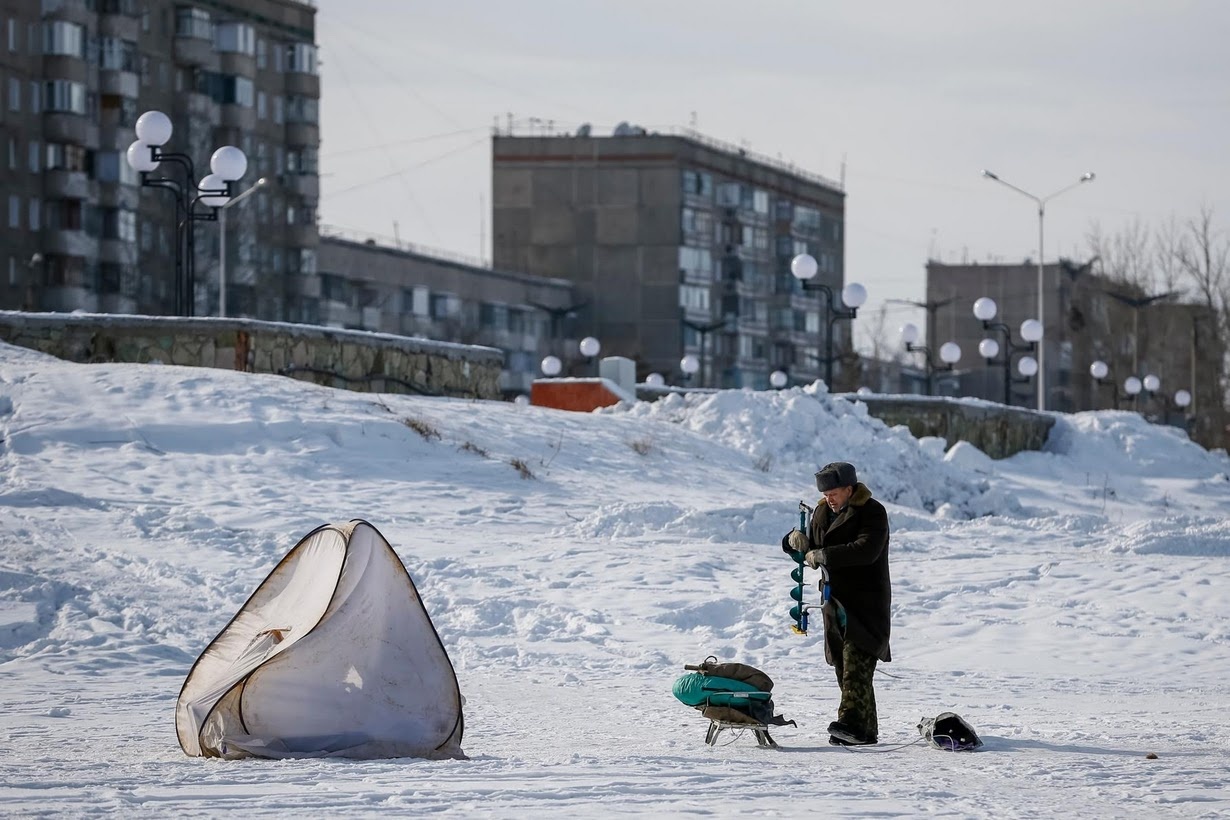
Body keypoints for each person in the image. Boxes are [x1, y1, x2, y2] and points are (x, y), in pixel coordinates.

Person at [781, 461, 891, 746]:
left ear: (849, 489)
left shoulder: (872, 512)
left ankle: (850, 725)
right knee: (844, 667)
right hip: (833, 604)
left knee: (857, 663)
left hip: (865, 603)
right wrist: (793, 542)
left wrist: (826, 555)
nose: (829, 498)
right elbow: (811, 544)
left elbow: (866, 550)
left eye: (834, 493)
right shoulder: (821, 512)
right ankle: (865, 730)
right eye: (826, 493)